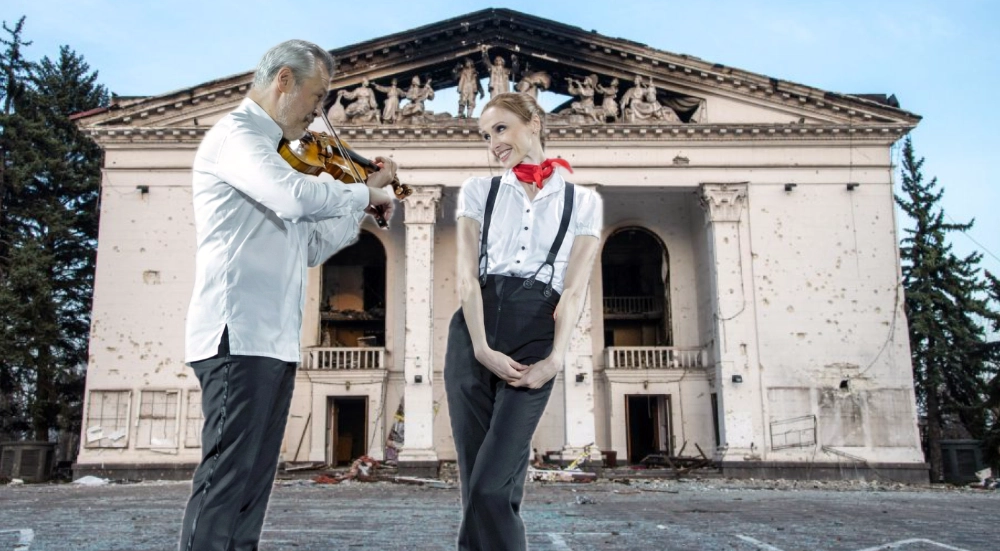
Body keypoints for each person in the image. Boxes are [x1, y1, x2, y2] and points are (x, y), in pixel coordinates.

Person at [178, 39, 397, 551]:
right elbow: (292, 198)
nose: (319, 113)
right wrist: (364, 190)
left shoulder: (276, 158)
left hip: (272, 343)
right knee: (224, 483)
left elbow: (311, 244)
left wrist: (361, 210)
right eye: (317, 96)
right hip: (237, 335)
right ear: (283, 81)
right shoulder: (238, 137)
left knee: (252, 487)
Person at [445, 92, 602, 551]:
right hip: (474, 332)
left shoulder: (584, 202)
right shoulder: (479, 191)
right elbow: (467, 278)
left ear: (533, 122)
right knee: (480, 486)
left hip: (536, 331)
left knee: (490, 486)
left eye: (499, 129)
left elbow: (573, 290)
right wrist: (479, 346)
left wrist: (556, 357)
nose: (492, 143)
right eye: (484, 136)